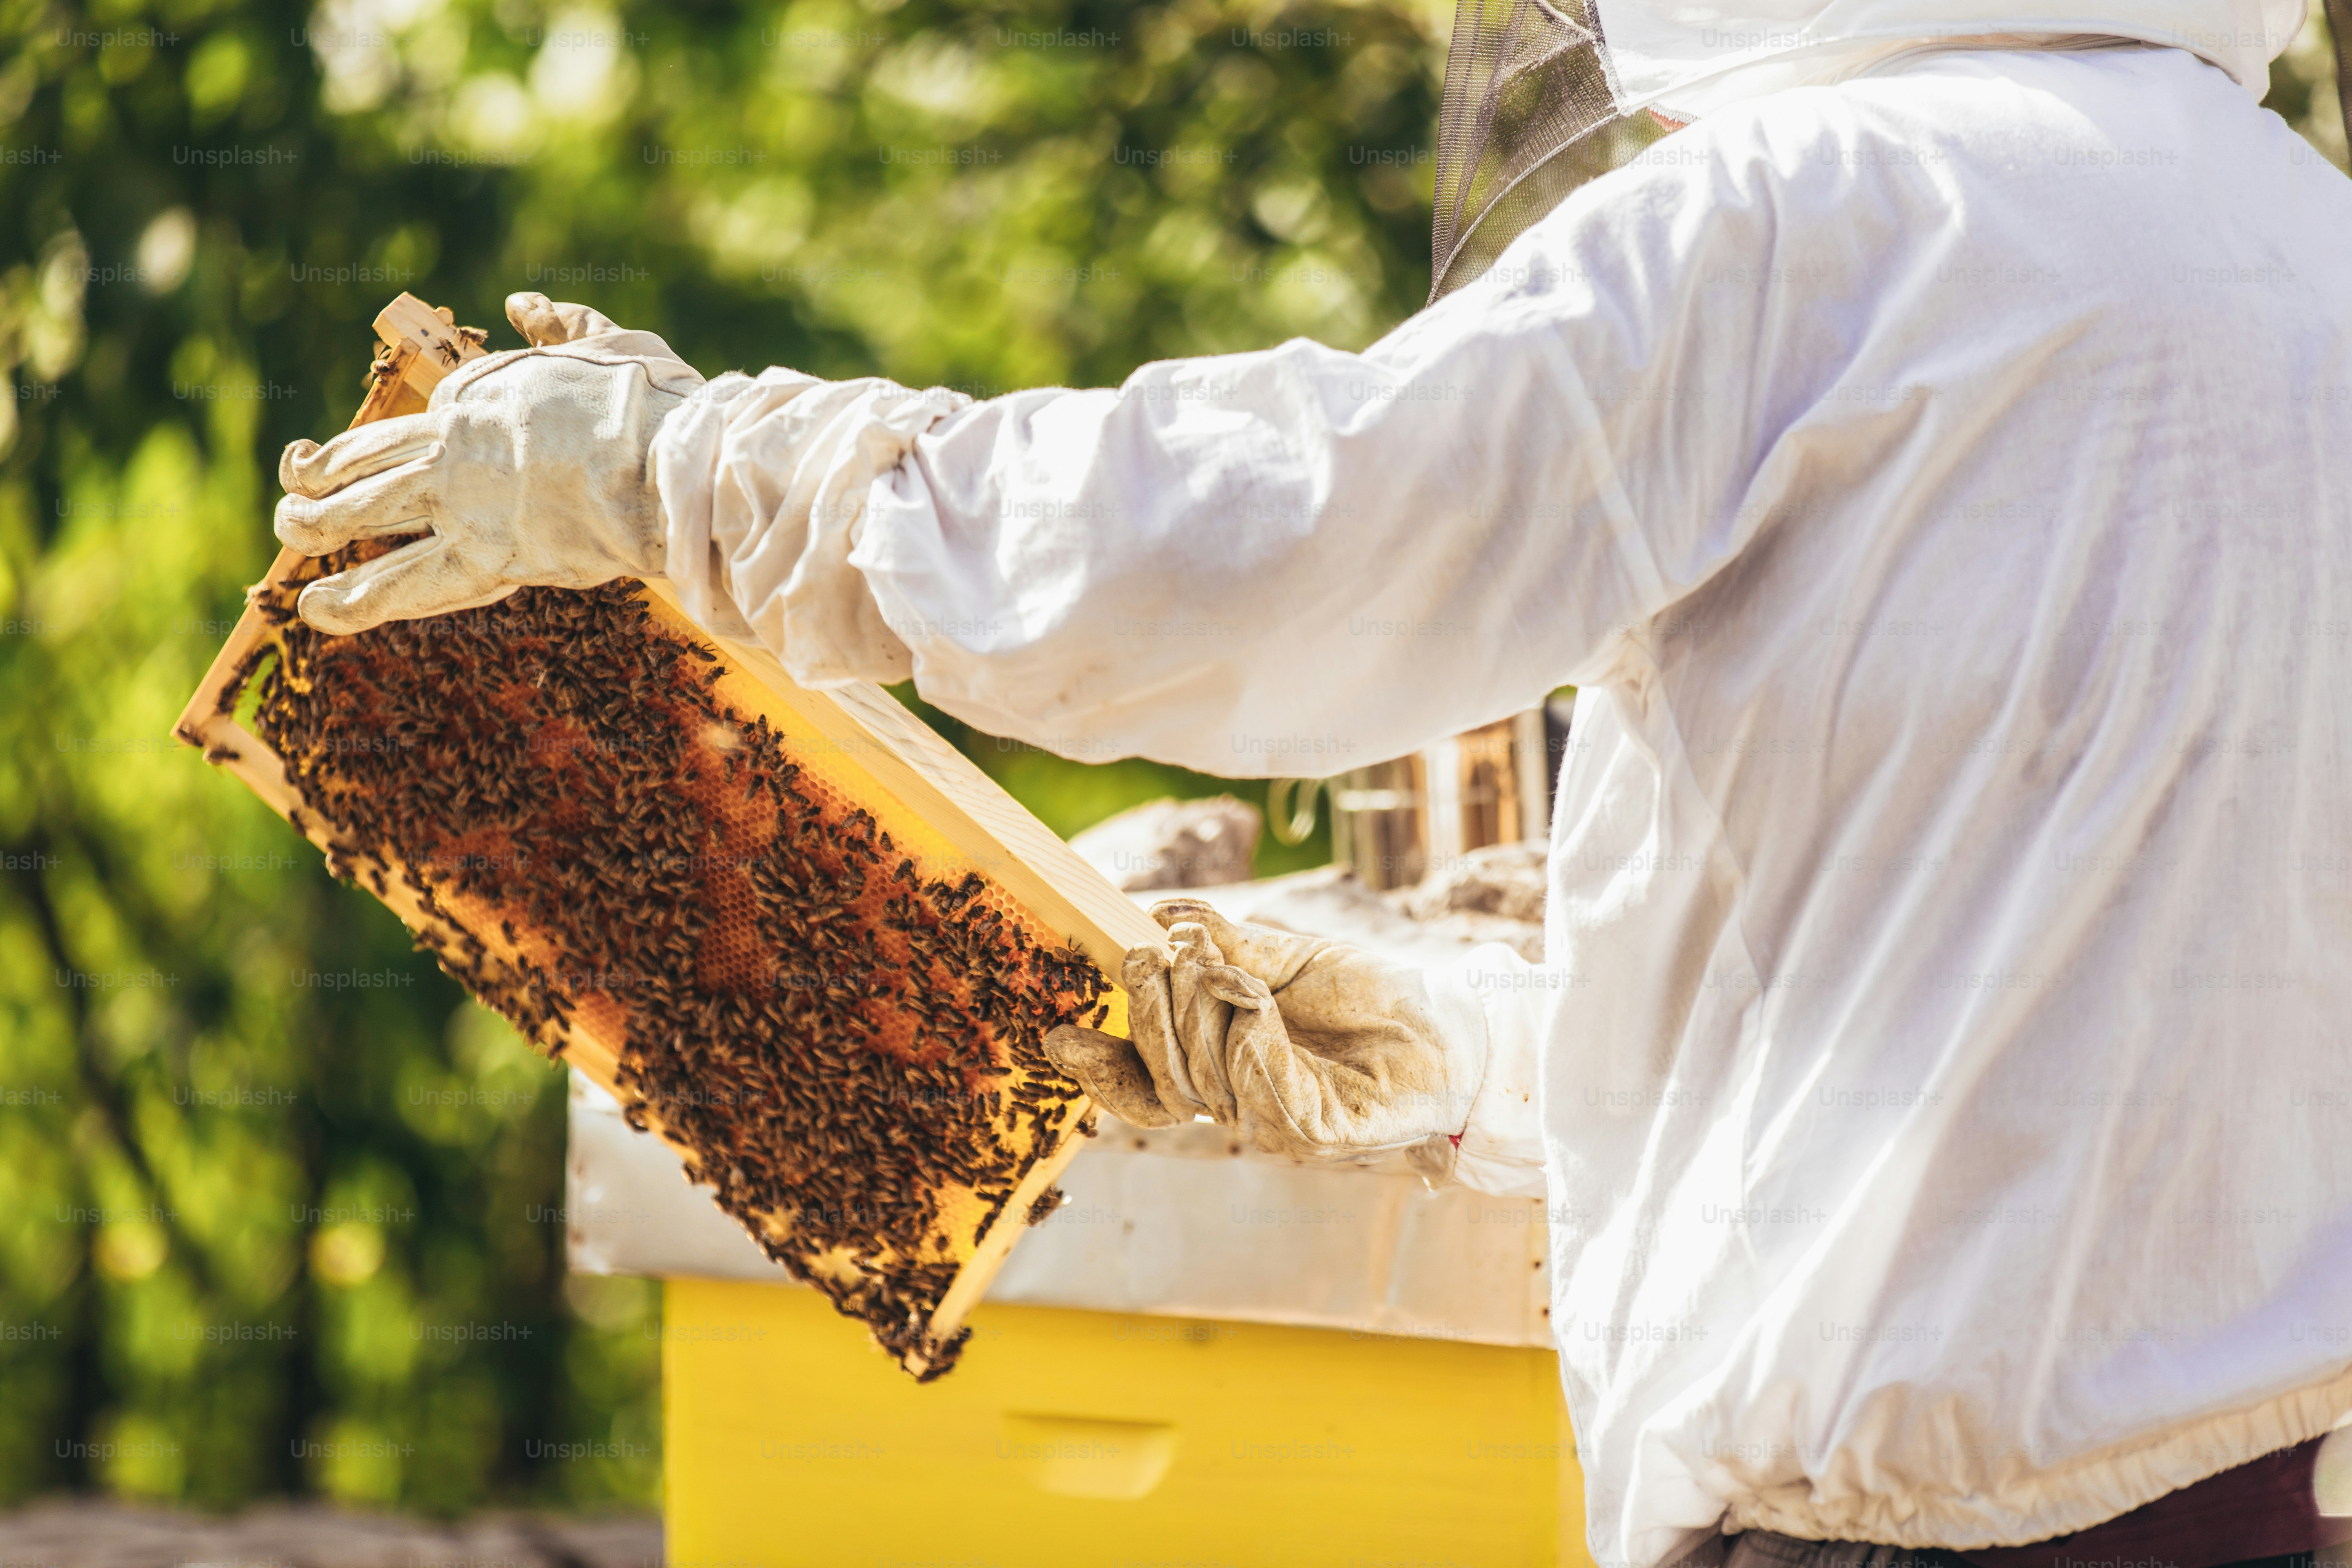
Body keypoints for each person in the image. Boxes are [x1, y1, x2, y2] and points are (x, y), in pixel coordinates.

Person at [268, 2, 2352, 1562]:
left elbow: (1281, 536)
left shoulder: (1816, 216)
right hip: (2263, 1482)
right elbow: (2027, 909)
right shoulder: (2305, 251)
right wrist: (1459, 1034)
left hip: (1900, 1524)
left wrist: (689, 473)